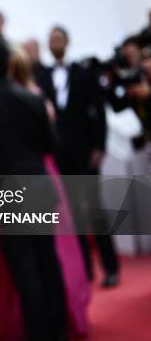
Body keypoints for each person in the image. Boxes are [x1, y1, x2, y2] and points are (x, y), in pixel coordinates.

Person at [0, 38, 67, 341]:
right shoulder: (33, 100)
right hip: (37, 187)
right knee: (48, 261)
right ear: (11, 63)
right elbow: (51, 146)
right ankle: (59, 331)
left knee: (24, 272)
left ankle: (38, 333)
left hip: (5, 197)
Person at [37, 26, 119, 287]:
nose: (55, 44)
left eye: (59, 39)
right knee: (72, 213)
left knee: (95, 209)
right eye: (51, 40)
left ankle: (110, 266)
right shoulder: (42, 77)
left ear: (67, 42)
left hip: (85, 152)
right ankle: (84, 269)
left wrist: (99, 146)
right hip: (58, 155)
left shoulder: (84, 73)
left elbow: (100, 112)